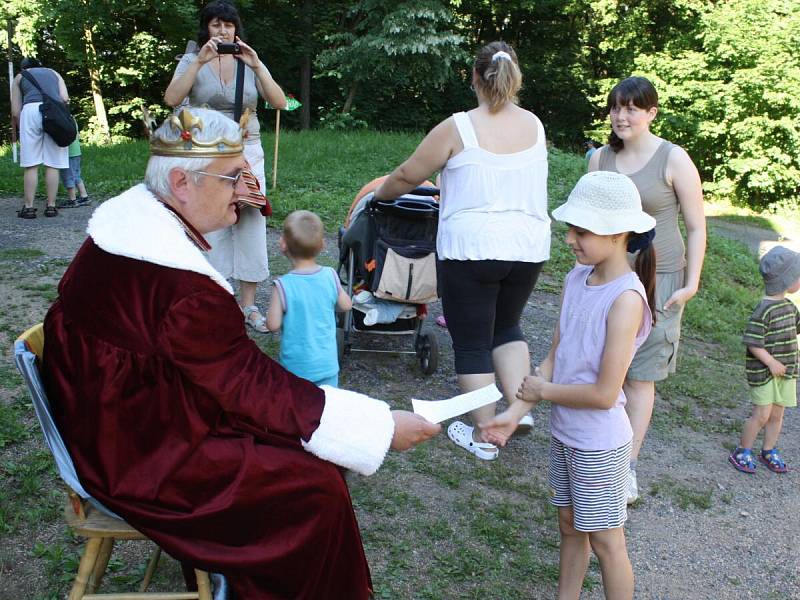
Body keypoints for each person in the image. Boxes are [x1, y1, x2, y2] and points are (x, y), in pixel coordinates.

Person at [42, 107, 440, 599]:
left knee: (302, 452)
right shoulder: (180, 287)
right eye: (232, 178)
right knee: (315, 489)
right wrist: (379, 425)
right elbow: (248, 384)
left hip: (119, 424)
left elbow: (227, 376)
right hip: (139, 454)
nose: (246, 190)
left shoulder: (120, 240)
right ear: (182, 181)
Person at [373, 41, 550, 460]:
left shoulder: (458, 127)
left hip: (472, 248)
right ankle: (518, 412)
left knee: (471, 342)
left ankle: (486, 435)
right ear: (516, 77)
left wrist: (380, 195)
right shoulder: (535, 126)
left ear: (474, 78)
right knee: (507, 327)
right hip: (527, 247)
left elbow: (407, 174)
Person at [483, 171, 655, 600]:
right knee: (568, 524)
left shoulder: (626, 299)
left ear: (617, 234)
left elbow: (603, 393)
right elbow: (554, 359)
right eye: (570, 230)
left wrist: (543, 395)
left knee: (606, 541)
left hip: (599, 443)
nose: (570, 240)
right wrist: (513, 415)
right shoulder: (576, 279)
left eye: (581, 231)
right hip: (565, 435)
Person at [588, 75, 706, 502]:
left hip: (662, 281)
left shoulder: (673, 159)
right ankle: (596, 452)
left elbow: (696, 225)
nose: (622, 116)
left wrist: (691, 283)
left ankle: (626, 469)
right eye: (616, 107)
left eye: (632, 108)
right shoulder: (599, 159)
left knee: (639, 378)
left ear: (651, 113)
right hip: (609, 280)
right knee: (605, 369)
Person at [164, 0, 286, 334]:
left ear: (236, 29)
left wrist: (258, 66)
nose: (222, 31)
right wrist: (200, 61)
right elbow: (172, 99)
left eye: (228, 25)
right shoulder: (193, 59)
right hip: (208, 152)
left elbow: (279, 102)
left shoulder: (248, 58)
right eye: (216, 25)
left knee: (248, 219)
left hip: (247, 152)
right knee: (212, 223)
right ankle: (217, 301)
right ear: (207, 28)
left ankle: (248, 305)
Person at [729, 245, 800, 474]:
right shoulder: (764, 309)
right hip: (764, 372)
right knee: (761, 414)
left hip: (786, 372)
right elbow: (752, 342)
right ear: (786, 280)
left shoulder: (789, 307)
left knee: (777, 414)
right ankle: (742, 450)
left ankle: (768, 449)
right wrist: (771, 362)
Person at [266, 210, 352, 387]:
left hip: (295, 369)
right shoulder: (330, 276)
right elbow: (346, 305)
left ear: (283, 245)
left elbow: (273, 325)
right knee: (327, 407)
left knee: (297, 409)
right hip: (327, 365)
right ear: (322, 245)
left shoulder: (282, 285)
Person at [10, 57, 71, 219]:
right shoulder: (54, 73)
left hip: (29, 112)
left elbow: (16, 111)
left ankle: (29, 208)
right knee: (53, 163)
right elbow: (65, 99)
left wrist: (19, 127)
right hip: (53, 111)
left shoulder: (20, 77)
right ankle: (51, 207)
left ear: (24, 68)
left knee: (31, 164)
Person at [58, 117, 91, 208]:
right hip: (76, 152)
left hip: (69, 153)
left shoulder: (63, 119)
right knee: (76, 175)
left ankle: (72, 199)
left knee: (68, 176)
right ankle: (84, 196)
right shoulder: (72, 118)